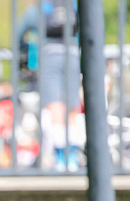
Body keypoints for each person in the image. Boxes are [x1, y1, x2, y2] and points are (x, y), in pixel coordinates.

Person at [16, 0, 84, 170]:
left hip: (50, 55)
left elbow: (18, 34)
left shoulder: (38, 9)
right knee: (72, 107)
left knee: (56, 107)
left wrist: (24, 51)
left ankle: (61, 155)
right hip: (74, 54)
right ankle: (73, 154)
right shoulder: (73, 6)